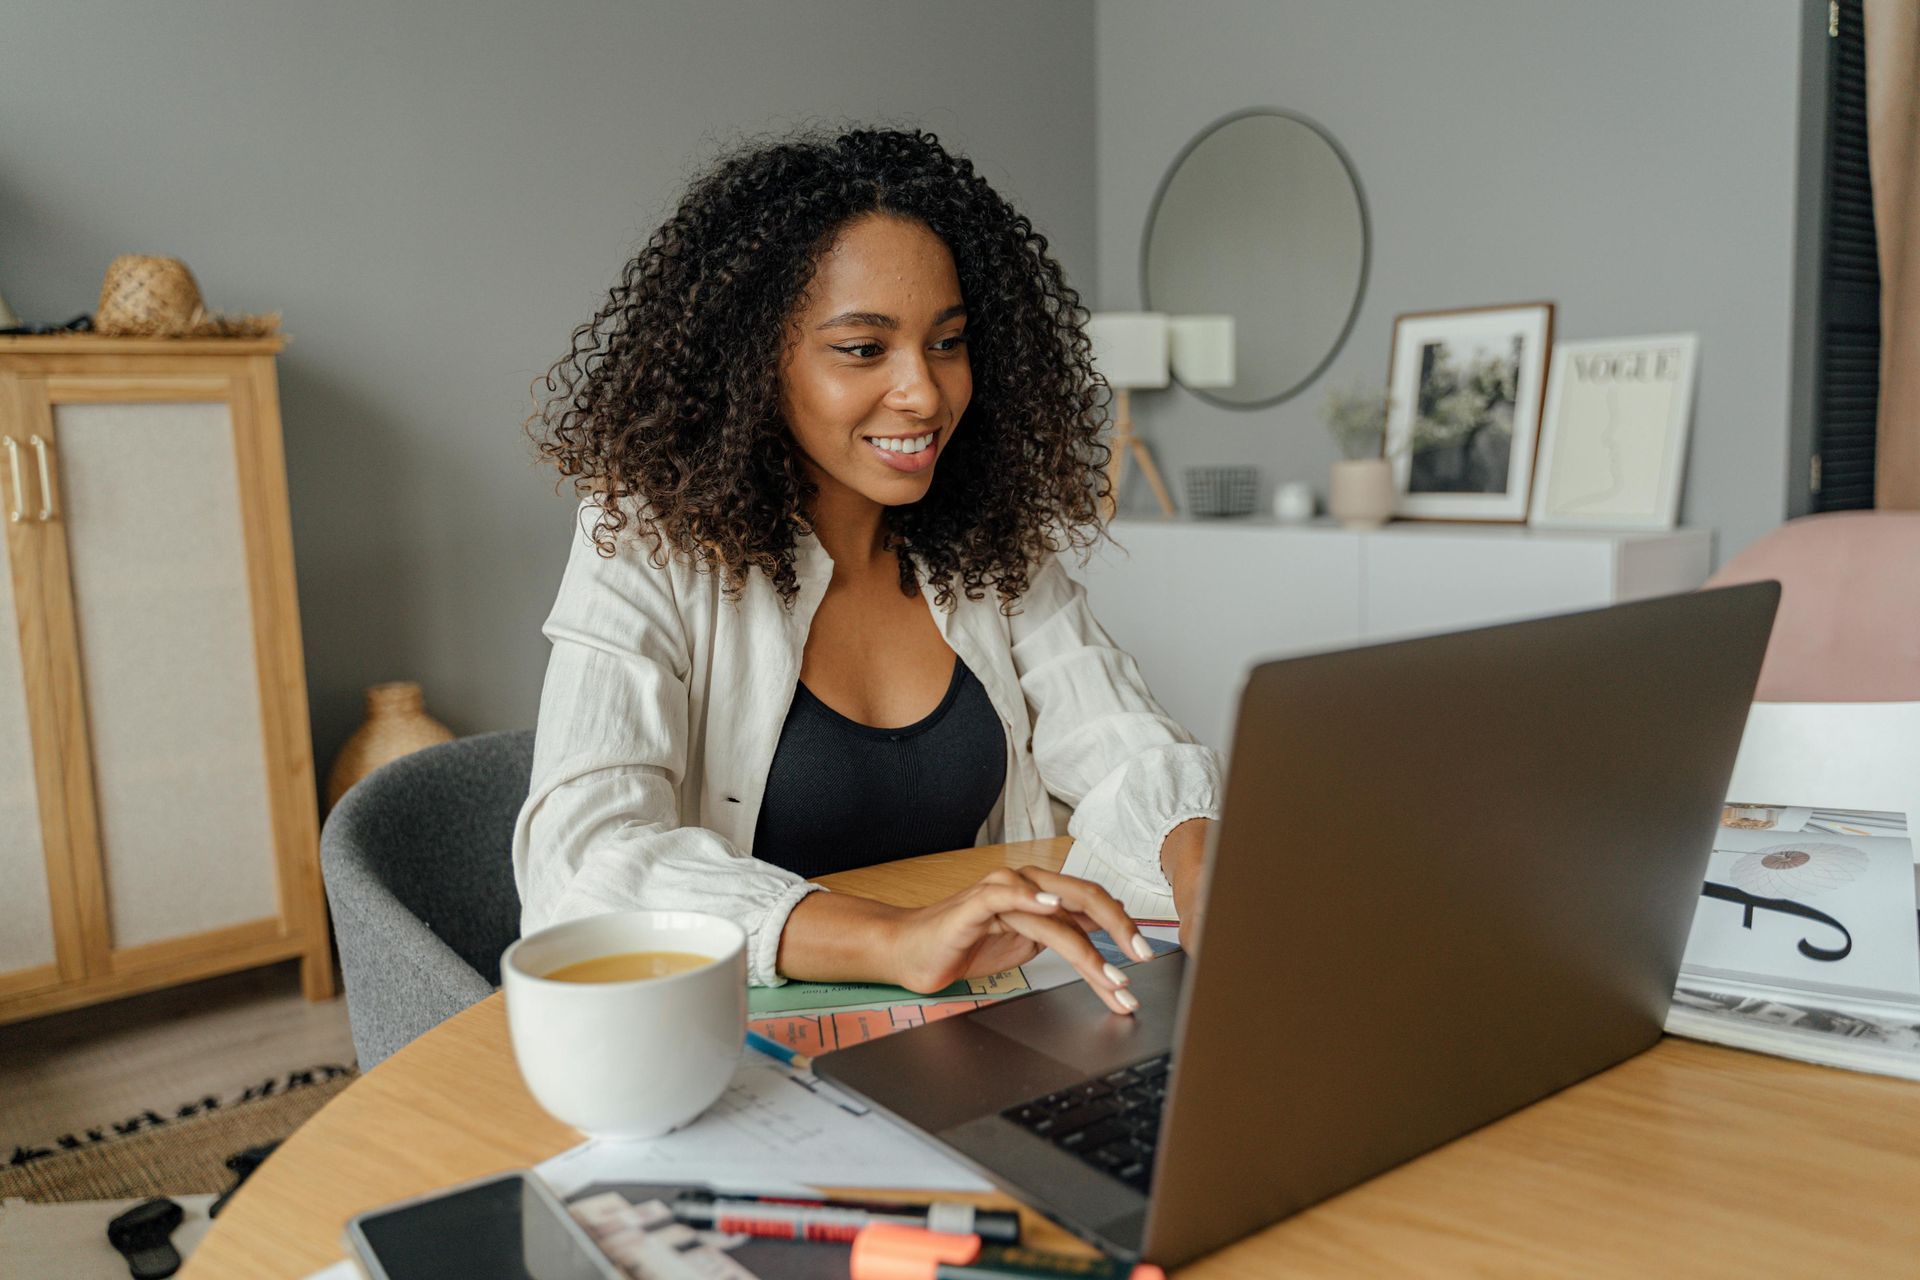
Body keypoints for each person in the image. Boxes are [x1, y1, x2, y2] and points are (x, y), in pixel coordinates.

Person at [513, 127, 1221, 1017]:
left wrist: (1209, 889)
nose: (923, 393)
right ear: (755, 362)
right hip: (734, 1039)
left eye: (948, 342)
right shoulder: (648, 540)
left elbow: (1126, 746)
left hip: (982, 1012)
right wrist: (894, 940)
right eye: (862, 349)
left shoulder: (987, 540)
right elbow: (582, 860)